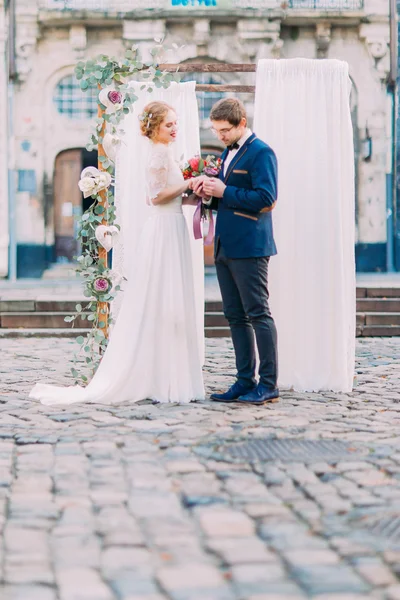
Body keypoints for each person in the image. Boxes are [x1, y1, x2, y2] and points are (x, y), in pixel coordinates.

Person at [29, 101, 205, 406]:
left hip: (171, 225)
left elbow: (171, 197)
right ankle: (158, 376)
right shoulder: (158, 154)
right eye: (169, 125)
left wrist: (192, 194)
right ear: (154, 128)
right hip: (163, 230)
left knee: (171, 298)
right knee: (161, 297)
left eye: (176, 124)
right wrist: (188, 183)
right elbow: (155, 197)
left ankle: (167, 372)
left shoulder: (167, 154)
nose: (175, 129)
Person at [193, 98, 279, 406]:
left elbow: (267, 198)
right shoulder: (229, 153)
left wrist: (224, 191)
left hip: (250, 245)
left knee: (258, 313)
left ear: (242, 122)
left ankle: (268, 384)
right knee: (234, 316)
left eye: (225, 130)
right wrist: (208, 196)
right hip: (224, 244)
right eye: (216, 130)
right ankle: (245, 380)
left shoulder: (261, 152)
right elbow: (228, 199)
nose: (221, 136)